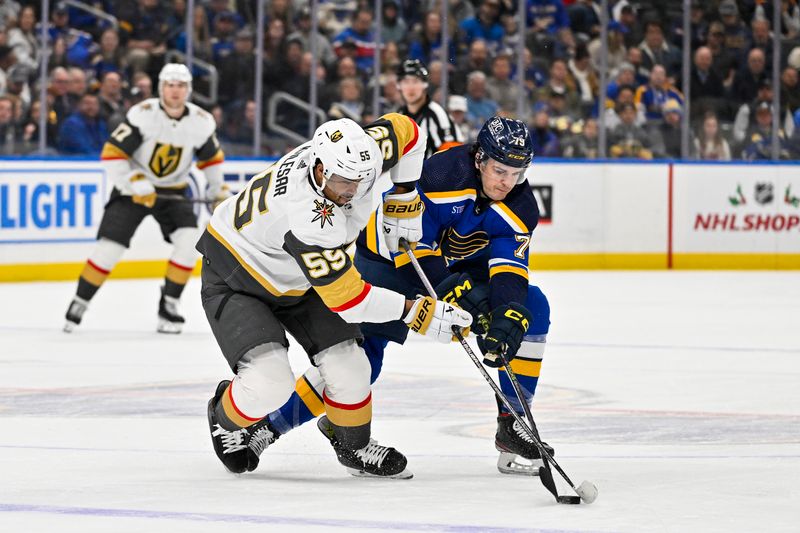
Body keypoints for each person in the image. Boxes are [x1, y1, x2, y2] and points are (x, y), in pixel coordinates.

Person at [259, 116, 554, 477]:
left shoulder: (521, 204)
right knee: (362, 358)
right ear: (479, 158)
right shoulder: (442, 175)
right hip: (390, 258)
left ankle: (513, 423)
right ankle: (268, 427)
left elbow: (509, 265)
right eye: (499, 170)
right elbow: (412, 245)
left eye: (516, 173)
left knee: (531, 309)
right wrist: (456, 294)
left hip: (456, 264)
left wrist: (507, 311)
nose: (507, 182)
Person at [197, 114, 472, 479]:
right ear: (320, 168)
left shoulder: (362, 155)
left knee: (352, 367)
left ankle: (353, 446)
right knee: (269, 382)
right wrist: (415, 312)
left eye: (360, 180)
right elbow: (350, 299)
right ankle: (222, 415)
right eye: (344, 182)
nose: (353, 191)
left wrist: (403, 197)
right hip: (237, 275)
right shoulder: (307, 218)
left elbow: (409, 132)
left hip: (299, 276)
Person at [63, 63, 229, 334]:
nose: (175, 91)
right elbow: (112, 154)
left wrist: (217, 191)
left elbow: (211, 161)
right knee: (110, 249)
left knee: (189, 243)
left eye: (181, 86)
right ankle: (80, 301)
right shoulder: (143, 115)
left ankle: (170, 304)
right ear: (161, 87)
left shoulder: (201, 122)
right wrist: (134, 182)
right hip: (133, 192)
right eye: (170, 85)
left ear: (188, 90)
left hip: (174, 192)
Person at [396, 59, 464, 158]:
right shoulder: (399, 114)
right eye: (406, 82)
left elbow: (454, 157)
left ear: (425, 84)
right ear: (399, 86)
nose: (411, 88)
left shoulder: (437, 114)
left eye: (415, 81)